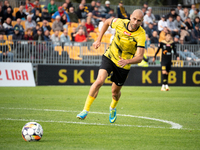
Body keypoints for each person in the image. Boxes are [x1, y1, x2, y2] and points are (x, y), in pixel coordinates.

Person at [76, 9, 145, 123]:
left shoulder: (141, 34)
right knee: (99, 81)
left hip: (123, 64)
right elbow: (107, 22)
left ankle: (112, 108)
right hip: (110, 56)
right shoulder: (120, 22)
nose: (135, 22)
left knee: (115, 93)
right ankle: (85, 110)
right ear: (130, 16)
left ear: (142, 21)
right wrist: (99, 39)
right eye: (134, 19)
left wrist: (128, 61)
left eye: (139, 21)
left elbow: (140, 57)